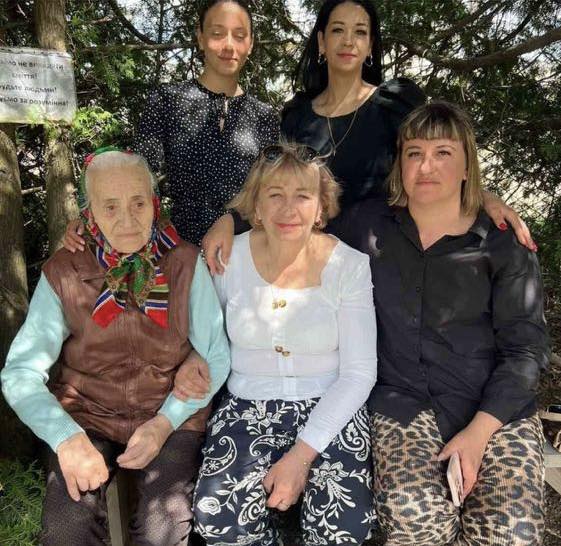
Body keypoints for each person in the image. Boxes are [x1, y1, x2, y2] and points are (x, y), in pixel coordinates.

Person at [337, 101, 549, 545]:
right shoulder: (367, 225)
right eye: (414, 153)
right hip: (402, 401)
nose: (426, 166)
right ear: (400, 164)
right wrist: (230, 223)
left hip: (494, 408)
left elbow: (526, 351)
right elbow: (296, 217)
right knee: (413, 517)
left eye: (443, 153)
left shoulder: (503, 245)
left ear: (468, 166)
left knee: (510, 531)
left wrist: (478, 434)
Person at [201, 0, 535, 274]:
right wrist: (229, 221)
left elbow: (436, 161)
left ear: (371, 45)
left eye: (360, 32)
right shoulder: (297, 115)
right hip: (312, 267)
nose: (348, 41)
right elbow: (274, 186)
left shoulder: (396, 103)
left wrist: (484, 197)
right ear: (322, 41)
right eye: (338, 30)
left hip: (385, 264)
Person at [1, 149, 230, 546]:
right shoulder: (65, 271)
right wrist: (65, 437)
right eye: (110, 206)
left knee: (162, 532)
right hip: (87, 414)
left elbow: (216, 354)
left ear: (154, 203)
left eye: (138, 203)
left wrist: (165, 422)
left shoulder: (184, 262)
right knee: (66, 532)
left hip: (169, 412)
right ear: (89, 214)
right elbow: (20, 372)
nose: (127, 219)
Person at [192, 143, 378, 546]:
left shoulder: (349, 265)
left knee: (343, 527)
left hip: (331, 403)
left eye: (302, 196)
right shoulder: (228, 258)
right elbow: (208, 340)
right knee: (219, 518)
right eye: (275, 195)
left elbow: (360, 373)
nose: (288, 209)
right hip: (247, 404)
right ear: (256, 207)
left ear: (321, 208)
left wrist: (300, 457)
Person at [64, 0, 279, 248]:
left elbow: (270, 192)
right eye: (217, 33)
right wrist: (88, 218)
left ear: (250, 44)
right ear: (200, 38)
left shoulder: (265, 116)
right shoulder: (166, 101)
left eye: (239, 36)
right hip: (179, 251)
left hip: (246, 251)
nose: (229, 45)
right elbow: (138, 176)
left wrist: (233, 221)